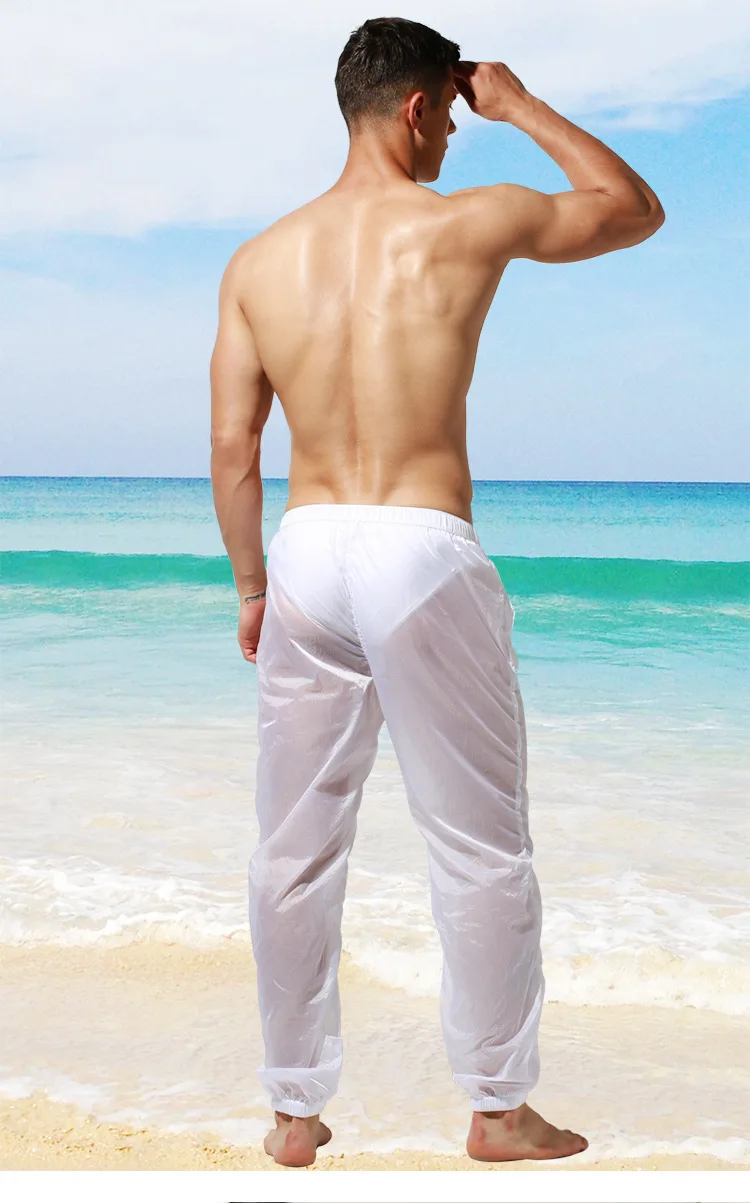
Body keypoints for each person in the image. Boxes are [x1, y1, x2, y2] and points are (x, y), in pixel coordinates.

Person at [210, 17, 664, 1169]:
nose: (458, 138)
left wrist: (254, 586)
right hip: (419, 545)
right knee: (478, 845)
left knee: (293, 850)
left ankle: (294, 1112)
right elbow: (630, 208)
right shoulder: (467, 222)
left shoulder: (259, 260)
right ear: (419, 107)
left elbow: (232, 446)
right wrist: (519, 104)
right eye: (454, 119)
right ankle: (499, 1110)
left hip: (306, 551)